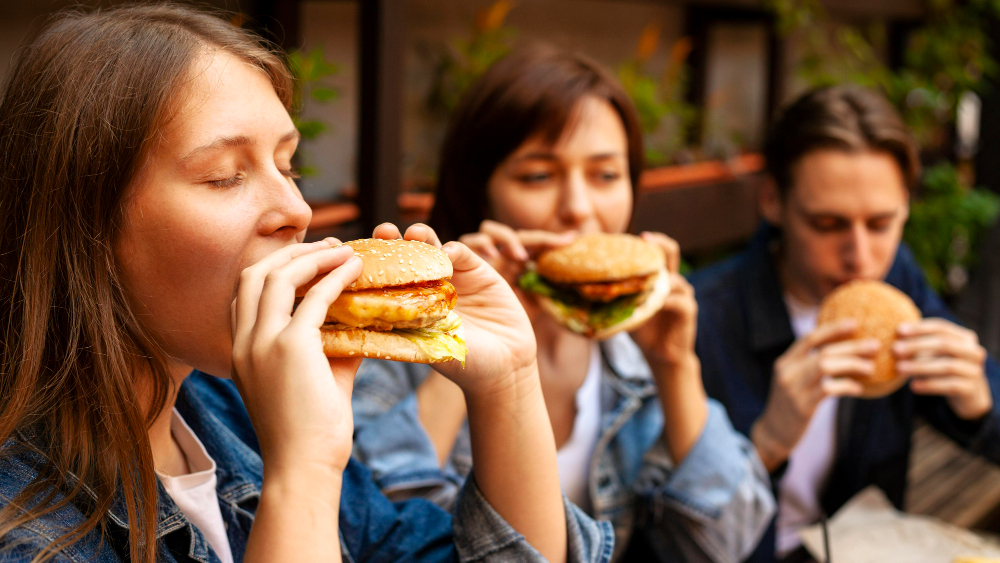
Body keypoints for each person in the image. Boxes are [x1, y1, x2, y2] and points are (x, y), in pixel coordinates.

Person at [0, 6, 613, 562]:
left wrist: (507, 383)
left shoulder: (235, 412)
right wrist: (302, 472)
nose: (295, 209)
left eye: (287, 165)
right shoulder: (26, 527)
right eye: (223, 176)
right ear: (84, 226)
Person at [351, 45, 775, 563]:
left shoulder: (639, 354)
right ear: (481, 192)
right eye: (538, 176)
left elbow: (727, 544)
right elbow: (372, 531)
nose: (578, 208)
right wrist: (461, 342)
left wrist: (674, 367)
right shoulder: (396, 343)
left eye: (605, 176)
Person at [690, 85, 1000, 562]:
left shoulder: (896, 279)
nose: (860, 257)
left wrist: (980, 401)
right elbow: (675, 537)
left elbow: (976, 402)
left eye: (880, 224)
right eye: (828, 225)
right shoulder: (703, 321)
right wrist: (766, 445)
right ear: (772, 200)